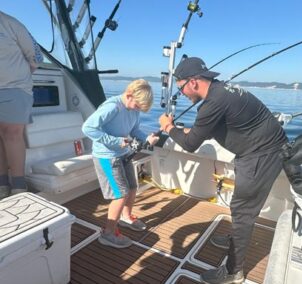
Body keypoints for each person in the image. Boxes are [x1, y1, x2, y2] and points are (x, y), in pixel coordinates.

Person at [159, 57, 288, 284]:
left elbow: (190, 145)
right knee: (241, 210)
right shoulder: (222, 91)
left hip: (261, 156)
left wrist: (168, 127)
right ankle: (235, 240)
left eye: (181, 89)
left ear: (193, 82)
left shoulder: (212, 103)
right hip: (261, 150)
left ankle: (232, 272)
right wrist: (186, 130)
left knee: (242, 212)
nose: (183, 94)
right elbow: (208, 129)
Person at [82, 79, 159, 248]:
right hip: (106, 157)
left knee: (132, 187)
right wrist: (115, 141)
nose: (138, 109)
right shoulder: (113, 107)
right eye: (138, 106)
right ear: (129, 95)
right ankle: (108, 233)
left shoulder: (134, 109)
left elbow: (134, 130)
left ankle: (125, 217)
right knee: (120, 194)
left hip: (123, 154)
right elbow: (88, 128)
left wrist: (146, 138)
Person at [0, 11, 43, 199]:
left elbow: (37, 56)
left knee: (11, 133)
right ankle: (2, 184)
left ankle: (18, 186)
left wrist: (18, 76)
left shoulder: (11, 24)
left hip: (15, 88)